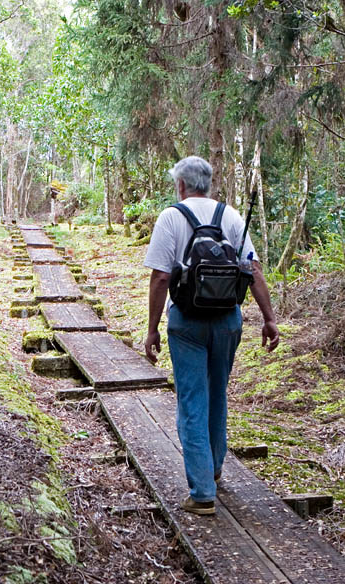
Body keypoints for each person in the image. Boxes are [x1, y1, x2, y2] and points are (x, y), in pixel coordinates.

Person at [143, 155, 280, 515]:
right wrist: (269, 319)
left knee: (191, 401)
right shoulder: (230, 216)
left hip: (186, 322)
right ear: (208, 183)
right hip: (227, 321)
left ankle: (202, 492)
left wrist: (152, 329)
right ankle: (214, 470)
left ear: (182, 184)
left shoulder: (171, 217)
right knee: (217, 394)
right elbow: (253, 269)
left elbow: (160, 278)